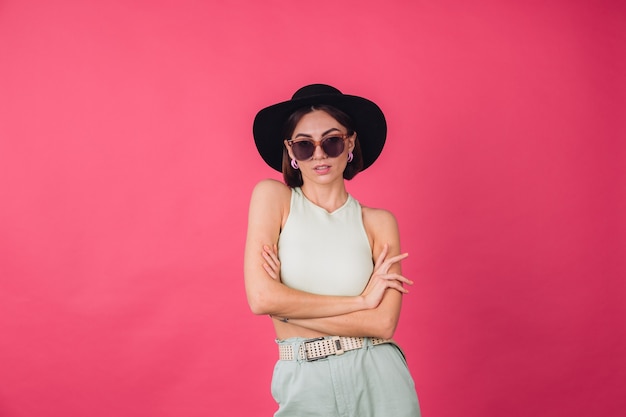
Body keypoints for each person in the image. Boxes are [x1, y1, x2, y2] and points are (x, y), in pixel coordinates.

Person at [244, 84, 421, 416]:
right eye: (304, 146)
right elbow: (261, 299)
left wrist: (288, 309)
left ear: (350, 142)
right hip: (304, 378)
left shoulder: (378, 223)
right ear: (290, 151)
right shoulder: (274, 198)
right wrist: (360, 303)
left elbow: (383, 324)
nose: (320, 155)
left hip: (379, 375)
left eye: (332, 141)